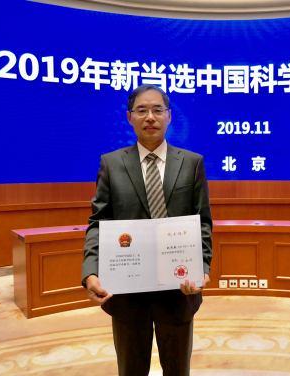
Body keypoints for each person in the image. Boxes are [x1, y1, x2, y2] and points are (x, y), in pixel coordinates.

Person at [81, 84, 213, 376]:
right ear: (130, 117)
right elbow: (98, 221)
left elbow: (202, 221)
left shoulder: (192, 163)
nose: (150, 116)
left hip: (178, 289)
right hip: (127, 292)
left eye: (157, 110)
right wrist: (90, 270)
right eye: (142, 110)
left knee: (178, 369)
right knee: (130, 370)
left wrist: (201, 266)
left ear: (169, 116)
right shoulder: (111, 163)